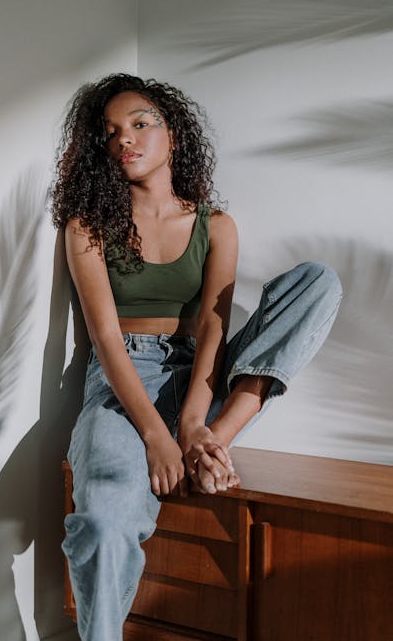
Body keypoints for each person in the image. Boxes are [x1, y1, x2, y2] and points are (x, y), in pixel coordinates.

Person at [50, 73, 342, 641]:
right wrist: (157, 438)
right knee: (103, 523)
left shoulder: (216, 225)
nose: (125, 140)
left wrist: (189, 422)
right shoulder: (88, 226)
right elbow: (105, 339)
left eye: (140, 124)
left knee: (317, 282)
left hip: (203, 377)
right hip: (121, 383)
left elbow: (213, 323)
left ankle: (213, 443)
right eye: (110, 133)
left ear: (174, 136)